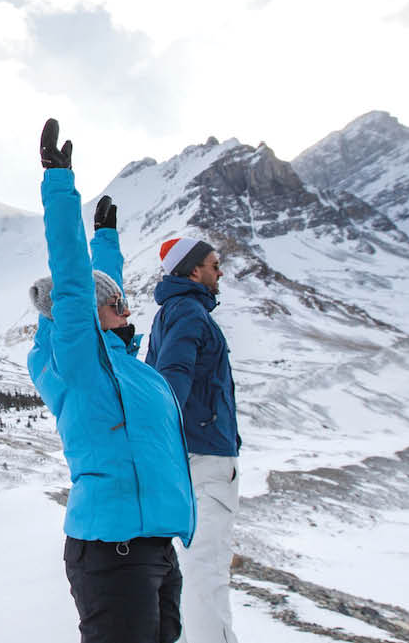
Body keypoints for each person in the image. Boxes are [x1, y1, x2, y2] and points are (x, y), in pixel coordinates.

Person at [30, 118, 195, 643]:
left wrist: (107, 240)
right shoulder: (79, 361)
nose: (128, 307)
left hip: (153, 545)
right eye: (117, 305)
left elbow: (100, 287)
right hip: (114, 550)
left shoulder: (122, 363)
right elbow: (78, 288)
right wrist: (60, 188)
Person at [146, 234, 241, 643]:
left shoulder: (173, 311)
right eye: (214, 264)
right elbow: (173, 378)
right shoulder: (189, 312)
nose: (220, 272)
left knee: (191, 569)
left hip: (189, 454)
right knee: (208, 569)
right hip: (205, 456)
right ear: (193, 270)